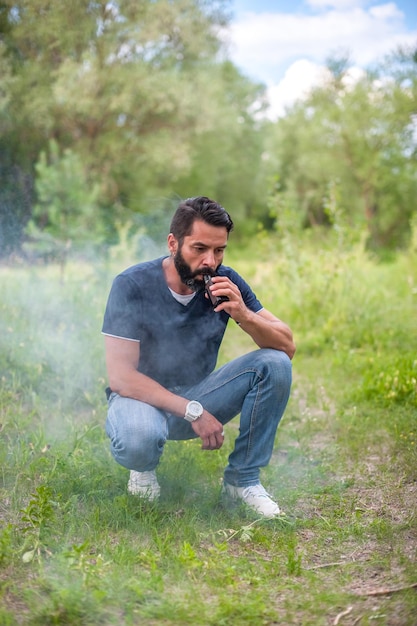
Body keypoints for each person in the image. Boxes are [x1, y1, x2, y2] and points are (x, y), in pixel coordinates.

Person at [102, 196, 295, 518]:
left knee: (274, 364)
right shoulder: (131, 285)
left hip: (199, 394)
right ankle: (143, 468)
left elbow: (286, 345)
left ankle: (242, 481)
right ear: (173, 243)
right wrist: (193, 412)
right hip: (140, 401)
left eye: (219, 250)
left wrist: (244, 314)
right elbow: (122, 378)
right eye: (200, 249)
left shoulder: (226, 281)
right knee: (139, 436)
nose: (210, 261)